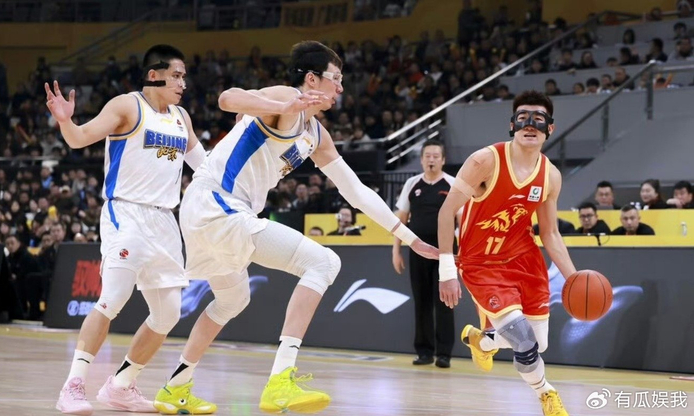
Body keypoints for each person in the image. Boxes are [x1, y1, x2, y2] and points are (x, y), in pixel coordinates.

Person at [153, 40, 438, 415]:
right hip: (216, 203)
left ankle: (175, 386)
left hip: (216, 212)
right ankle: (280, 381)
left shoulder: (316, 135)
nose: (340, 87)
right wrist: (277, 106)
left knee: (233, 300)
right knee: (324, 262)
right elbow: (226, 98)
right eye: (335, 78)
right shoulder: (286, 96)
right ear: (312, 79)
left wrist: (409, 237)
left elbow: (357, 192)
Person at [46, 44, 207, 415]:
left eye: (184, 76)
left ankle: (121, 385)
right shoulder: (127, 106)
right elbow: (78, 138)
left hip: (165, 220)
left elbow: (206, 167)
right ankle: (72, 386)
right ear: (154, 75)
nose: (183, 83)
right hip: (127, 213)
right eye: (176, 75)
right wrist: (66, 121)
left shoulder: (181, 117)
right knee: (113, 299)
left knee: (168, 314)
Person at [437, 91, 577, 416]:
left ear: (550, 129)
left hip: (525, 260)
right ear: (512, 124)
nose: (530, 124)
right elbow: (446, 213)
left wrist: (573, 278)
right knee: (524, 342)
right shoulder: (484, 161)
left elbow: (550, 234)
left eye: (538, 119)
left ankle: (483, 340)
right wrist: (447, 272)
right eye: (523, 117)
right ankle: (546, 394)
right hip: (481, 262)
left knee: (539, 343)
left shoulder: (550, 175)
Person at [392, 139, 458, 368]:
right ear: (421, 160)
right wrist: (396, 251)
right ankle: (424, 352)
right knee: (421, 301)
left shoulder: (452, 184)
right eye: (427, 156)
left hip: (445, 253)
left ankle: (444, 354)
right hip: (418, 251)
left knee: (445, 301)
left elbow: (463, 220)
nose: (431, 160)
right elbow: (400, 220)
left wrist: (461, 252)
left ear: (443, 160)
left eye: (435, 156)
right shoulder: (412, 184)